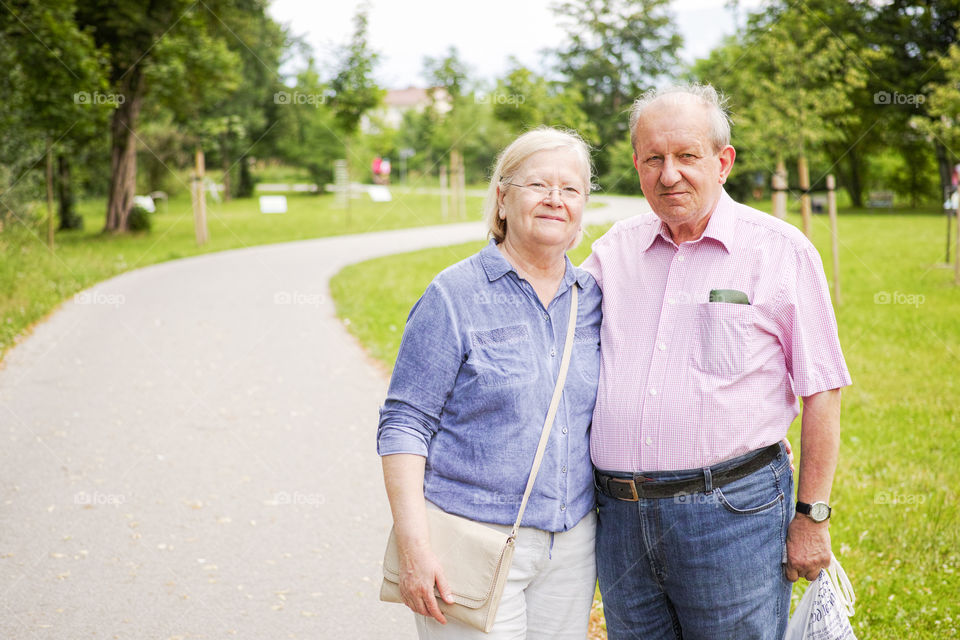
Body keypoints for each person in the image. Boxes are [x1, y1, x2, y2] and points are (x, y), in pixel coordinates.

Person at [582, 84, 852, 639]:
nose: (669, 174)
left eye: (686, 156)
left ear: (723, 161)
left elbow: (822, 388)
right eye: (653, 158)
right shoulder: (614, 251)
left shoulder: (780, 250)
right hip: (622, 520)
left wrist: (813, 516)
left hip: (733, 516)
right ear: (636, 165)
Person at [378, 127, 602, 639]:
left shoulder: (592, 298)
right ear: (502, 198)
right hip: (470, 540)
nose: (554, 200)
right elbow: (404, 425)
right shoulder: (454, 294)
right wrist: (415, 547)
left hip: (571, 547)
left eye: (570, 189)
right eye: (537, 185)